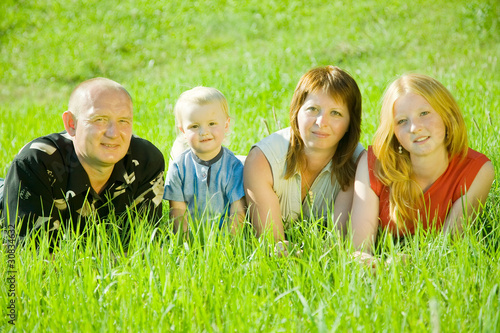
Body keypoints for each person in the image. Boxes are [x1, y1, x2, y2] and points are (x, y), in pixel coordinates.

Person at [1, 78, 165, 248]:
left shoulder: (145, 160)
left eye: (123, 121)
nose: (114, 133)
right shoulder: (37, 163)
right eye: (100, 119)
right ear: (71, 124)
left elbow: (146, 247)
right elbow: (32, 256)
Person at [350, 73, 495, 256]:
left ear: (447, 115)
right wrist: (371, 265)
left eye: (424, 113)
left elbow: (449, 248)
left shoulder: (477, 171)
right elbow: (359, 249)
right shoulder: (374, 164)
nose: (414, 128)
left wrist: (407, 263)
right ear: (393, 131)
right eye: (402, 121)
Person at [244, 66, 364, 244]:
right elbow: (271, 243)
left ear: (350, 123)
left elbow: (338, 246)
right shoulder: (262, 160)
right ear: (296, 111)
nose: (321, 122)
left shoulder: (359, 164)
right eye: (313, 109)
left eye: (336, 113)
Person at [163, 87, 246, 235]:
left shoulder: (234, 167)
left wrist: (228, 245)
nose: (204, 132)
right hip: (192, 237)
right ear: (183, 132)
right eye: (194, 126)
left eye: (212, 124)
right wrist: (185, 244)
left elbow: (237, 211)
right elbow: (177, 211)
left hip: (225, 238)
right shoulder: (178, 168)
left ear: (226, 125)